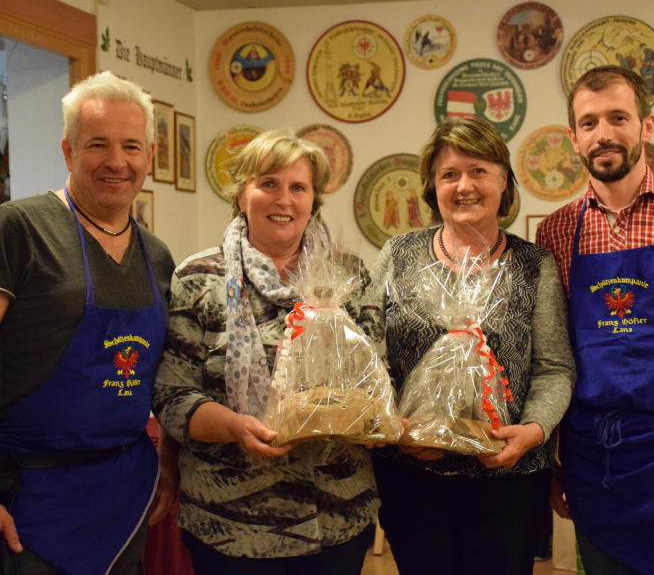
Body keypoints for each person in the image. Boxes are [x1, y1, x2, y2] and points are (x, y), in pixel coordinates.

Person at [152, 129, 378, 575]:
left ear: (314, 200)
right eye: (268, 184)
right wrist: (235, 427)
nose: (284, 200)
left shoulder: (348, 275)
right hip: (232, 525)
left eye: (298, 187)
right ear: (241, 194)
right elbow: (172, 398)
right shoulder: (198, 278)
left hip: (336, 518)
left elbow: (377, 377)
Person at [363, 117, 575, 575]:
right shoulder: (399, 254)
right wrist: (395, 426)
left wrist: (534, 430)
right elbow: (368, 353)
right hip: (410, 471)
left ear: (504, 181)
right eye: (449, 174)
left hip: (511, 477)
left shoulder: (535, 265)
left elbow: (555, 367)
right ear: (432, 187)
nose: (464, 186)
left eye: (478, 170)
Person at [536, 65, 654, 574]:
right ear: (574, 138)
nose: (605, 134)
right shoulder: (556, 233)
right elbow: (553, 358)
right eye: (589, 123)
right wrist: (554, 463)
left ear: (646, 126)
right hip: (597, 467)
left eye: (619, 117)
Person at [0, 71, 176, 573]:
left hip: (125, 494)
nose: (117, 161)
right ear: (68, 151)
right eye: (97, 144)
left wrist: (170, 462)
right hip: (26, 495)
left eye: (131, 146)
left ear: (150, 156)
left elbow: (161, 379)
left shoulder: (158, 257)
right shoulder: (19, 229)